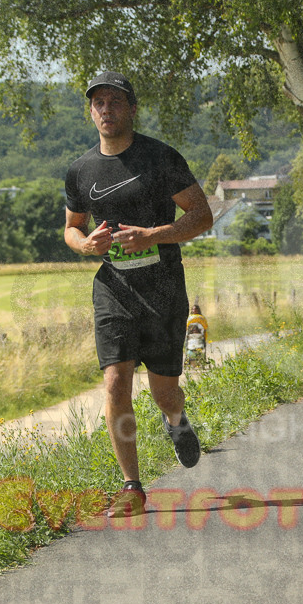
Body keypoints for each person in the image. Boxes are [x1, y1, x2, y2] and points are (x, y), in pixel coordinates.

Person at [64, 71, 214, 517]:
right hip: (114, 288)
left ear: (132, 108)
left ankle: (176, 420)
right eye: (98, 103)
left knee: (165, 391)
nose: (106, 110)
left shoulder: (161, 158)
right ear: (91, 112)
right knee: (115, 381)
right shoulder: (80, 170)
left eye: (115, 102)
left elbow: (202, 215)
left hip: (163, 286)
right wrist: (86, 244)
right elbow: (72, 228)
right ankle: (132, 486)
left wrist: (155, 234)